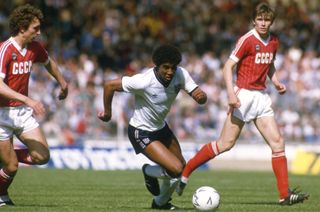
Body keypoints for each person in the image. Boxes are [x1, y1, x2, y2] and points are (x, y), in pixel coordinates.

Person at [176, 2, 309, 206]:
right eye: (260, 19)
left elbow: (269, 63)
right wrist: (231, 93)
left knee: (278, 143)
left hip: (261, 97)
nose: (263, 23)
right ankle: (186, 171)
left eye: (267, 20)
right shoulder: (246, 40)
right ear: (254, 20)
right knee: (225, 144)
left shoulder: (274, 41)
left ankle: (284, 195)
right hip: (243, 95)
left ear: (271, 22)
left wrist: (275, 81)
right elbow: (228, 67)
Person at [98, 44, 207, 210]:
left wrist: (201, 97)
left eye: (173, 67)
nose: (170, 72)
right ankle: (148, 171)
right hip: (140, 132)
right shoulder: (144, 81)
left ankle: (160, 203)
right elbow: (109, 85)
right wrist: (107, 113)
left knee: (181, 168)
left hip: (161, 128)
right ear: (157, 66)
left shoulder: (181, 74)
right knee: (176, 169)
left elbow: (197, 92)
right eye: (166, 68)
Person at [0, 4, 68, 206]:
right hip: (1, 114)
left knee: (42, 156)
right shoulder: (5, 49)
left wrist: (62, 82)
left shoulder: (35, 48)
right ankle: (1, 195)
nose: (39, 32)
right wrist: (28, 99)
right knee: (11, 167)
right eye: (35, 28)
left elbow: (50, 63)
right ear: (22, 28)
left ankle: (5, 158)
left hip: (21, 113)